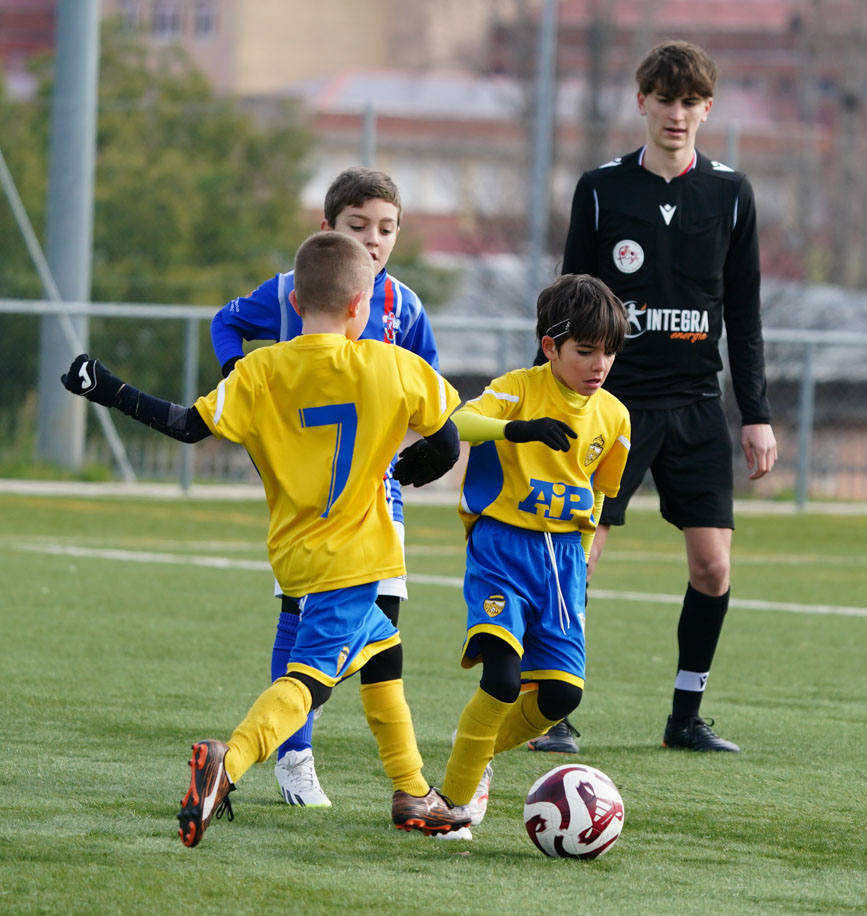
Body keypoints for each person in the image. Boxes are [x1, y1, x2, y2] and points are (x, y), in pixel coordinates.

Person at [61, 231, 470, 847]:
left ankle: (412, 791)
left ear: (298, 302)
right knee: (308, 681)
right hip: (360, 556)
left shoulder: (259, 370)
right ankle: (230, 760)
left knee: (384, 655)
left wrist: (110, 388)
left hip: (296, 554)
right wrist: (412, 470)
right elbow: (445, 441)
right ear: (363, 306)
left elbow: (185, 427)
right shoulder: (395, 366)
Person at [551, 40, 778, 754]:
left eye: (690, 102)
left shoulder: (730, 194)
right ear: (641, 102)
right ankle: (551, 710)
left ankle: (686, 716)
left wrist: (757, 414)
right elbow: (566, 299)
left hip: (695, 405)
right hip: (610, 404)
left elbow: (743, 312)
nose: (676, 114)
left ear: (707, 110)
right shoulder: (600, 189)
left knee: (713, 567)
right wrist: (552, 399)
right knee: (577, 558)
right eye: (664, 99)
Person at [208, 166, 438, 808]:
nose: (372, 239)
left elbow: (432, 392)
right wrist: (238, 376)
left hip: (377, 488)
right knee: (303, 614)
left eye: (386, 229)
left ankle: (406, 785)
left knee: (382, 626)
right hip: (308, 491)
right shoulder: (290, 291)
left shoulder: (406, 307)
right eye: (356, 226)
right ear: (327, 230)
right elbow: (225, 322)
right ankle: (295, 754)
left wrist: (414, 454)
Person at [434, 274, 631, 837]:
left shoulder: (615, 418)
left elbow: (598, 490)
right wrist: (516, 430)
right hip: (503, 548)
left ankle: (476, 752)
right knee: (501, 678)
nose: (599, 365)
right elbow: (459, 422)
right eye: (585, 351)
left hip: (564, 560)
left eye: (609, 353)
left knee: (562, 693)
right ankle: (451, 802)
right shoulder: (519, 387)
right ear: (551, 346)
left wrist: (588, 552)